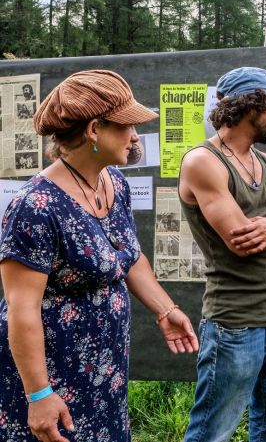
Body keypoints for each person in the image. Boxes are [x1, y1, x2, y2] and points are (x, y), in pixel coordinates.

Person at [0, 70, 198, 442]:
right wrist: (39, 395)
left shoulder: (114, 183)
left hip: (105, 372)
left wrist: (165, 309)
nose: (136, 136)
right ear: (94, 130)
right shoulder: (36, 206)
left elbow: (128, 256)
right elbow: (21, 308)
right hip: (53, 378)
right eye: (128, 126)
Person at [179, 67, 266, 442]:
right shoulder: (203, 161)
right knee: (212, 434)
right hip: (235, 323)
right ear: (251, 105)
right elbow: (242, 241)